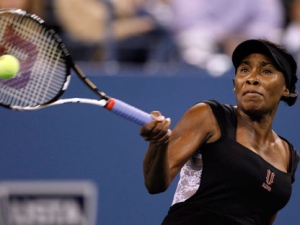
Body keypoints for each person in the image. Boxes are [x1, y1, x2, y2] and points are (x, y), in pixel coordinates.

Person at [140, 39, 299, 225]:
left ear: (285, 89)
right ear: (235, 84)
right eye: (244, 70)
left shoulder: (289, 156)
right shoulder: (209, 116)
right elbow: (155, 184)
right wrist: (159, 143)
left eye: (266, 71)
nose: (252, 78)